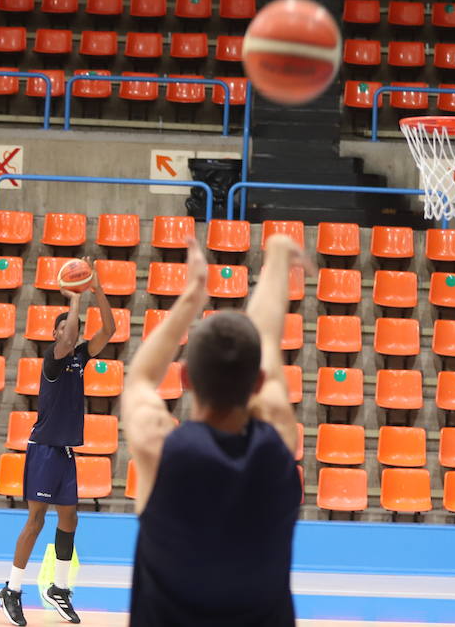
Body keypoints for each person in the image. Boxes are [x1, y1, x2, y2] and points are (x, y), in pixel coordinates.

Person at [122, 236, 302, 625]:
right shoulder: (279, 445)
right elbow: (267, 337)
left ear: (184, 377)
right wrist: (277, 255)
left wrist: (191, 298)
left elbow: (138, 380)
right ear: (257, 383)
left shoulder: (160, 449)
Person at [0, 265, 115, 626]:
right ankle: (12, 590)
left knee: (70, 518)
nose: (73, 332)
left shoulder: (81, 356)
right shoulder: (53, 358)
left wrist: (96, 290)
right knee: (35, 520)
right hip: (44, 448)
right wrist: (76, 297)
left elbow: (109, 330)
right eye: (66, 327)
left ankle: (59, 589)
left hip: (64, 451)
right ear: (54, 333)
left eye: (74, 327)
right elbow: (68, 341)